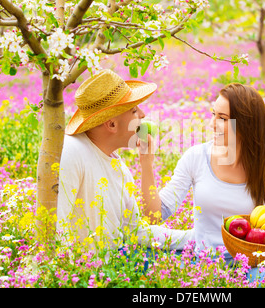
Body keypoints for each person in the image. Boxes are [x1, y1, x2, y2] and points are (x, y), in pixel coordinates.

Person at [139, 83, 265, 264]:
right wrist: (146, 163)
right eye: (213, 114)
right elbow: (154, 216)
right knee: (136, 238)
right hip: (204, 260)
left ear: (246, 125)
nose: (212, 124)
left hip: (251, 264)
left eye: (222, 118)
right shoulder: (196, 157)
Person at [56, 69, 193, 254]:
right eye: (134, 110)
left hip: (110, 270)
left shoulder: (118, 166)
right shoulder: (71, 151)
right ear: (111, 124)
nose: (143, 115)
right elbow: (55, 227)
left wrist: (197, 237)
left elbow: (137, 230)